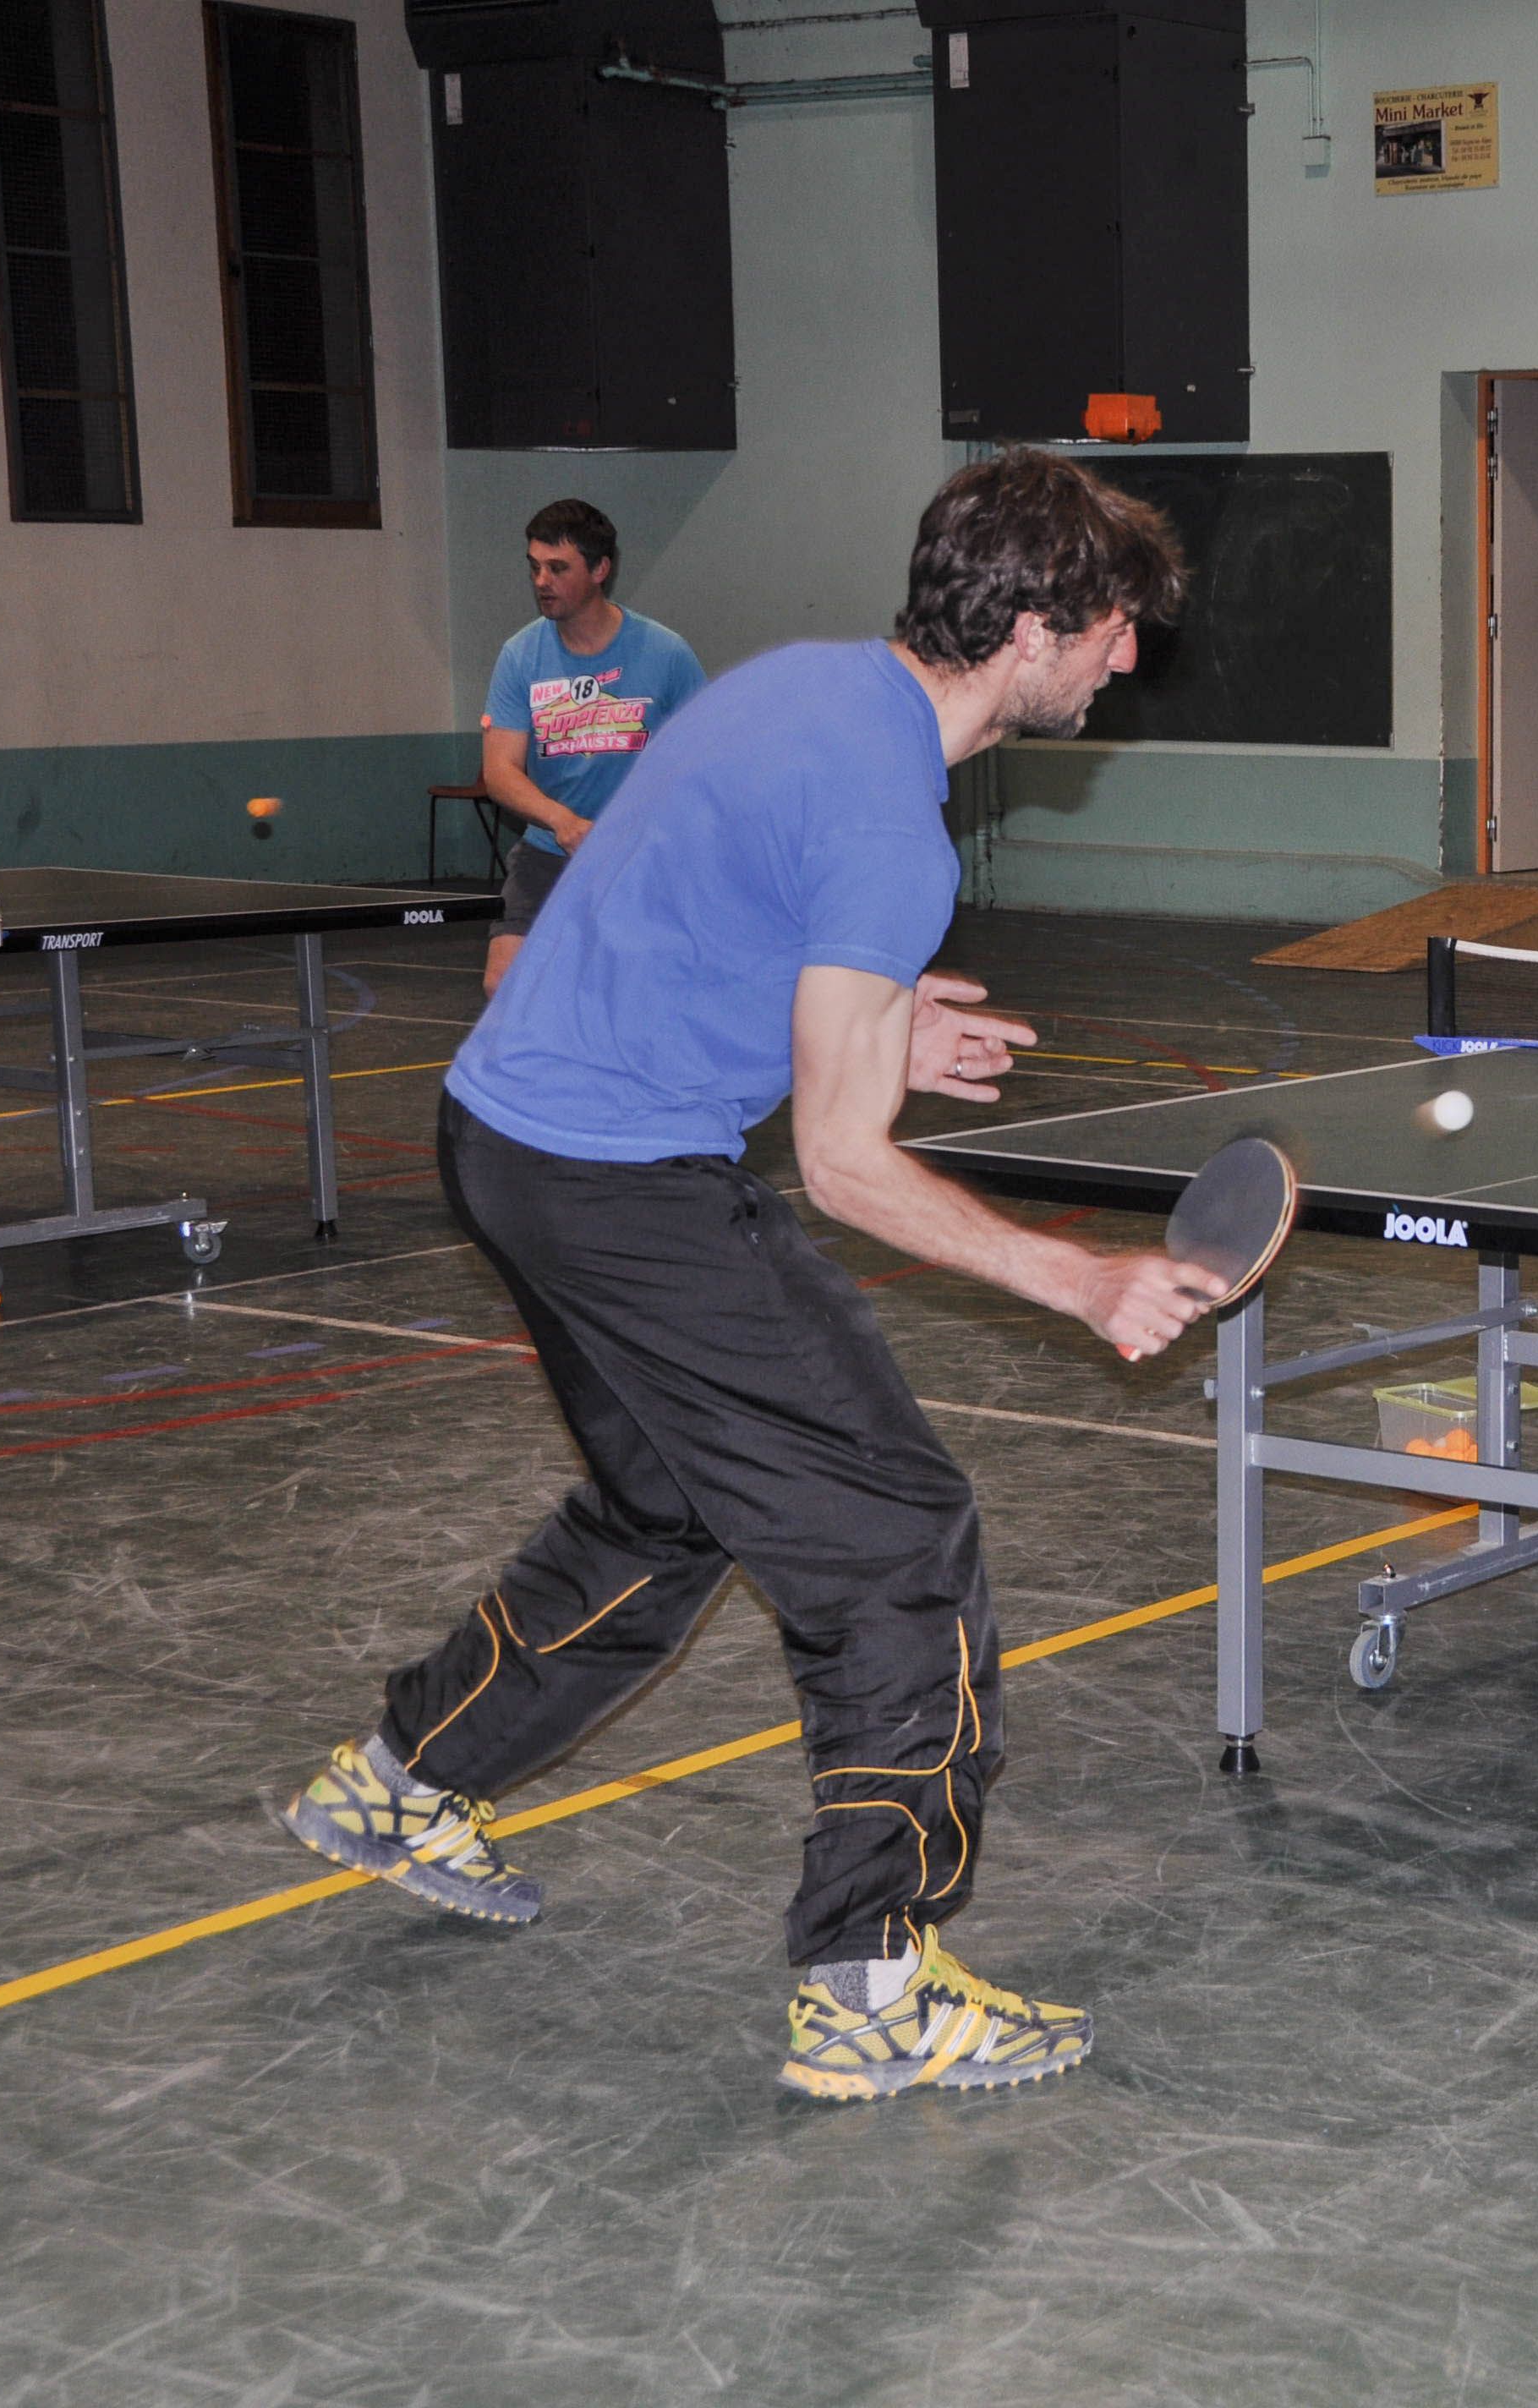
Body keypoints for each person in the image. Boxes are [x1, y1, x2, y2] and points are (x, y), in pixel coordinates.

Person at [276, 452, 1223, 2103]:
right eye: (1112, 626)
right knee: (893, 1538)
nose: (1125, 657)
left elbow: (679, 891)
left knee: (666, 1508)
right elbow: (845, 1170)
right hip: (621, 1181)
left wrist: (866, 1021)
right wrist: (1076, 1278)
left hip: (500, 1133)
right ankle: (868, 1983)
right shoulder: (892, 832)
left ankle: (401, 1774)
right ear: (1030, 627)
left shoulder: (807, 685)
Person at [480, 500, 707, 996]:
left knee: (634, 988)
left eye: (558, 568)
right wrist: (563, 822)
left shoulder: (666, 654)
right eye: (535, 567)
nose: (542, 581)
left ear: (600, 569)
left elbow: (704, 764)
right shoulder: (520, 656)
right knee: (504, 983)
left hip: (641, 858)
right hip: (549, 852)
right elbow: (500, 771)